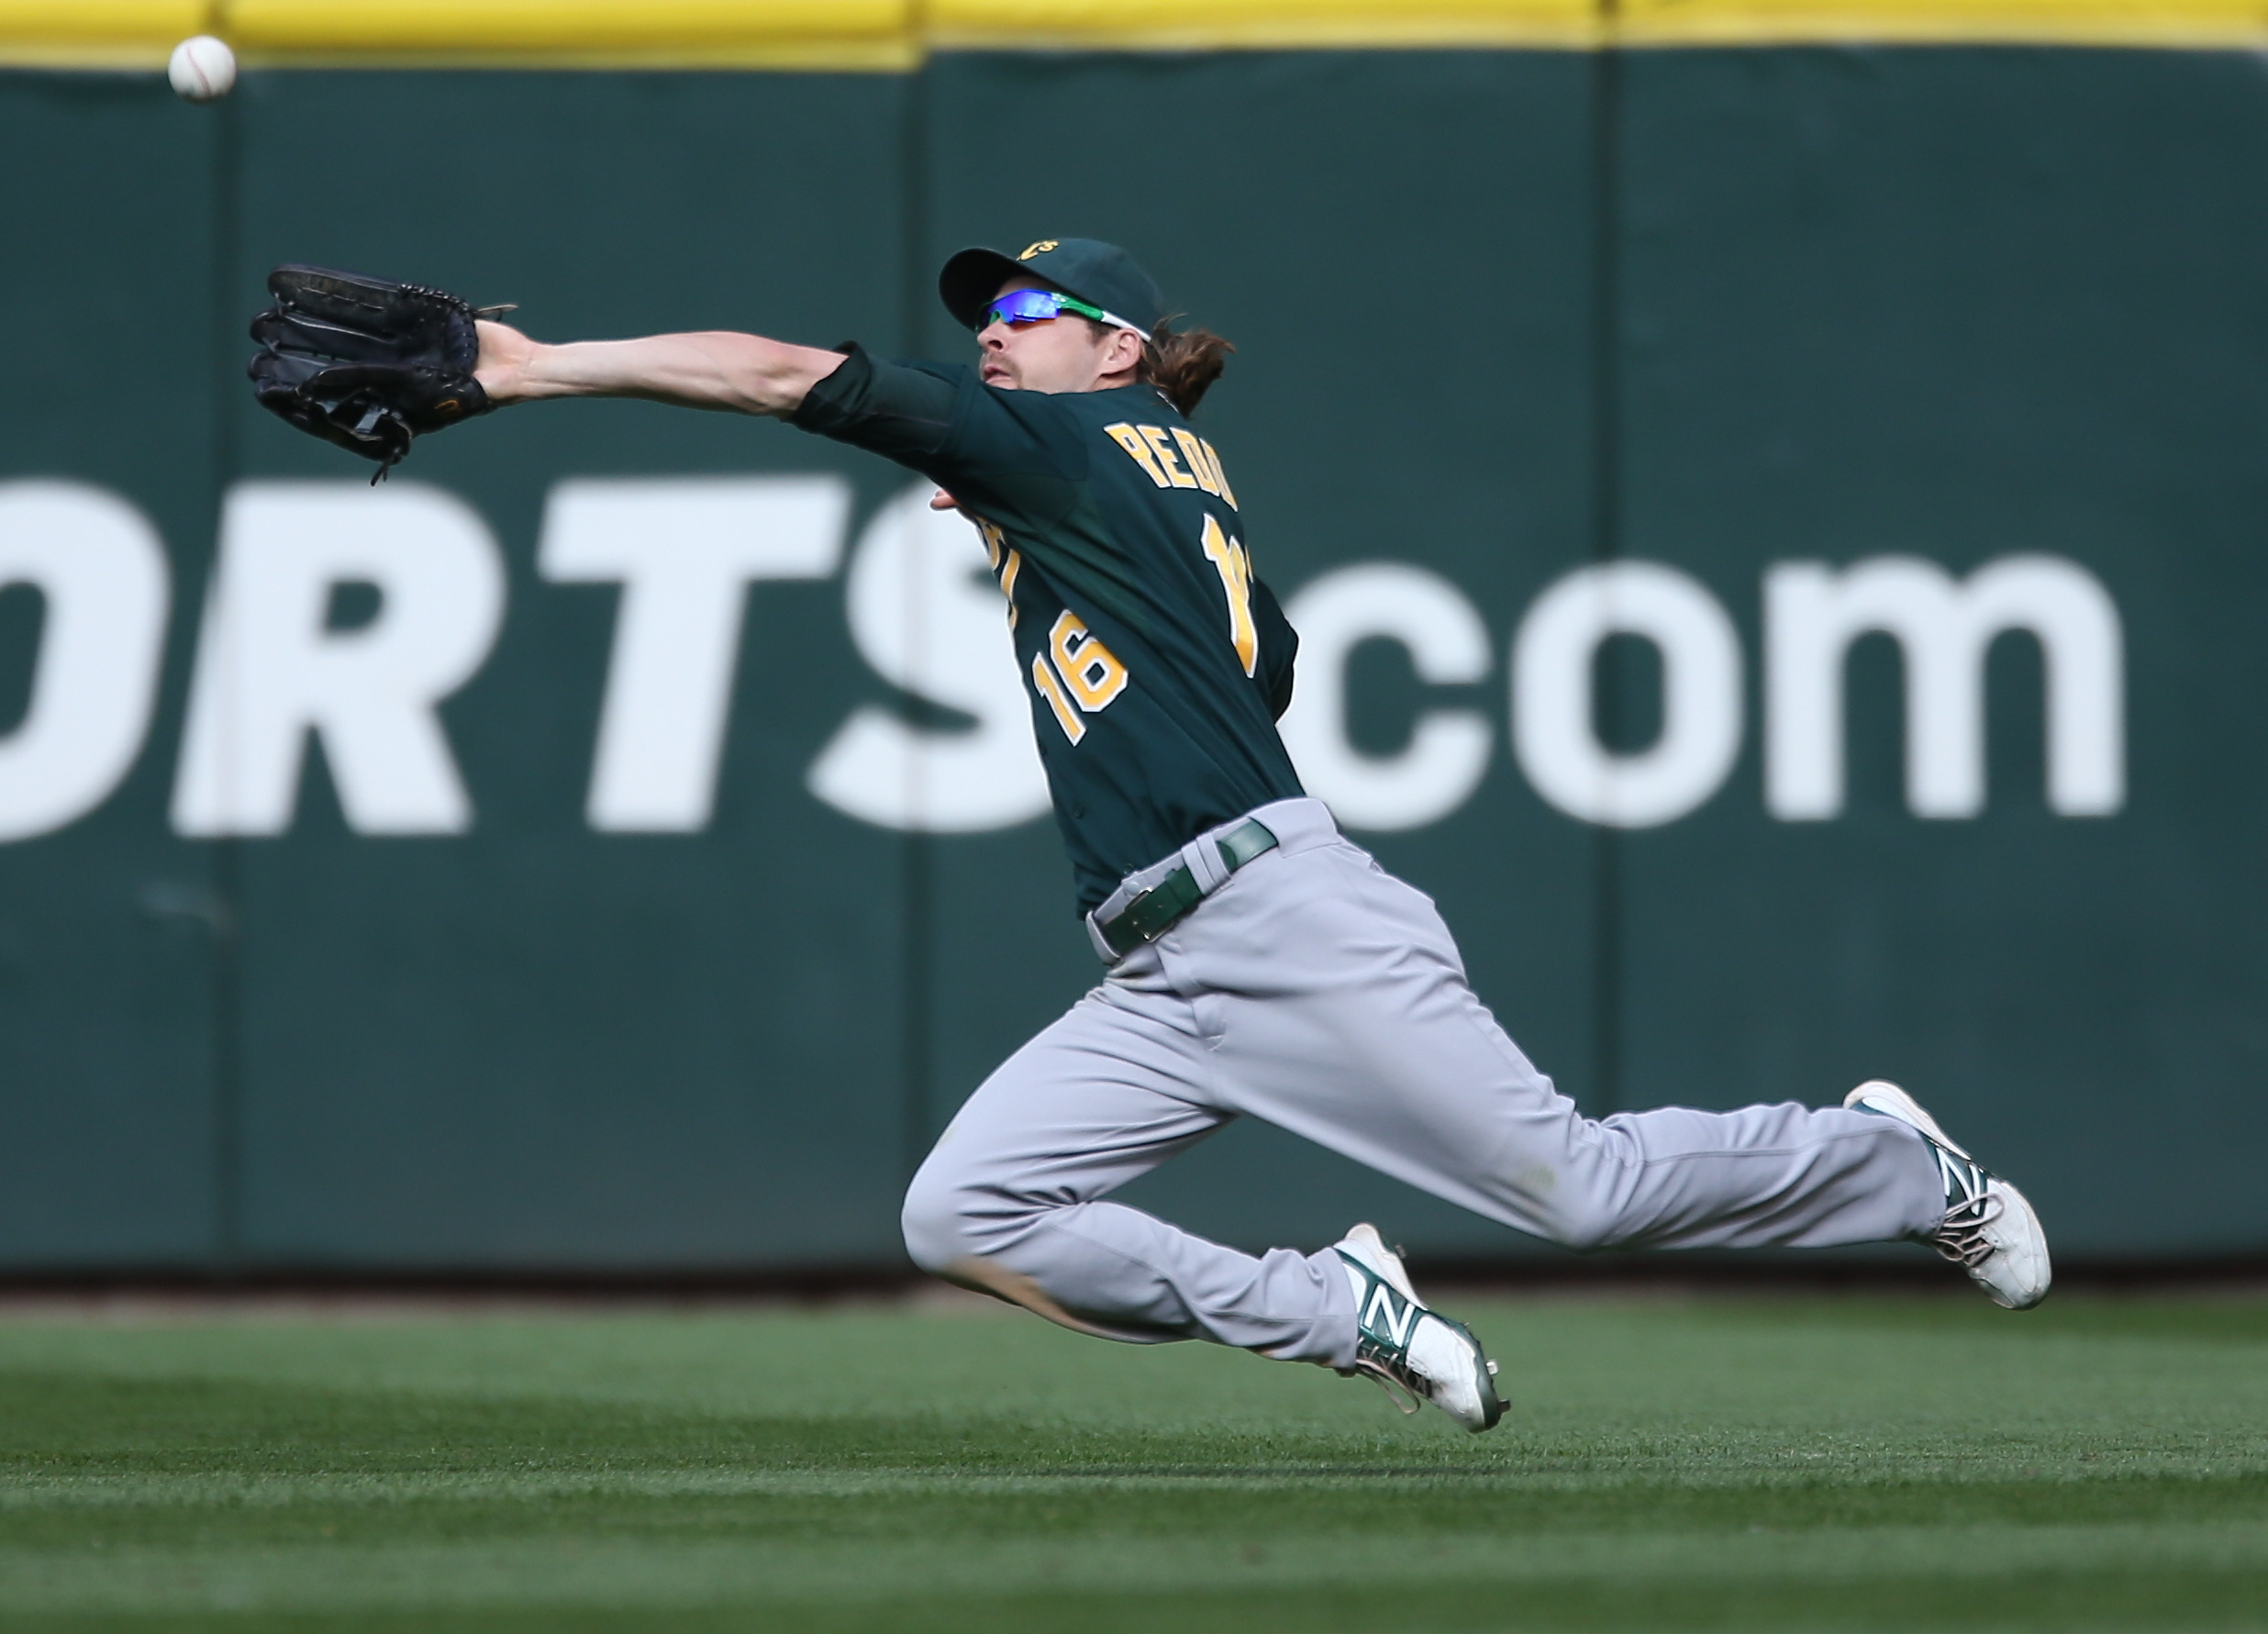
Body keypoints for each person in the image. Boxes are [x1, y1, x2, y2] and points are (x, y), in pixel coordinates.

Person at [470, 236, 2051, 1432]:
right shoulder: (1142, 466)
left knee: (1574, 1191)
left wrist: (535, 368)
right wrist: (1051, 525)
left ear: (1117, 350)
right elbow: (1265, 661)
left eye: (1023, 319)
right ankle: (1333, 1305)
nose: (991, 343)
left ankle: (1894, 1163)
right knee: (963, 1212)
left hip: (1286, 923)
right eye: (985, 324)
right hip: (1166, 971)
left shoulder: (1067, 443)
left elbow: (774, 371)